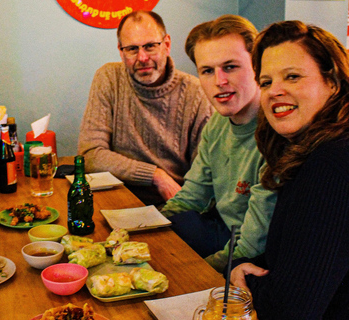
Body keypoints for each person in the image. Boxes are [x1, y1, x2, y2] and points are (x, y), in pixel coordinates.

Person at [230, 21, 349, 319]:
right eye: (266, 82)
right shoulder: (317, 151)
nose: (274, 92)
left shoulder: (330, 164)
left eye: (292, 77)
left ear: (332, 82)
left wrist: (244, 278)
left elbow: (291, 310)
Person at [161, 15, 277, 272]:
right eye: (207, 71)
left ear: (257, 67)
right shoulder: (217, 123)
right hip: (225, 231)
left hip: (258, 252)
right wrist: (147, 232)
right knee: (176, 224)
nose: (219, 81)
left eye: (230, 67)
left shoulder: (276, 130)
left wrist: (196, 274)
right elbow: (190, 197)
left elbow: (254, 242)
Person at [77, 10, 214, 206]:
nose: (142, 57)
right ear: (121, 51)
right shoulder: (108, 77)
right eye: (132, 49)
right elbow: (90, 154)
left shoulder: (197, 93)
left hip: (171, 205)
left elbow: (203, 179)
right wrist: (155, 176)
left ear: (166, 45)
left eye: (150, 46)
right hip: (112, 198)